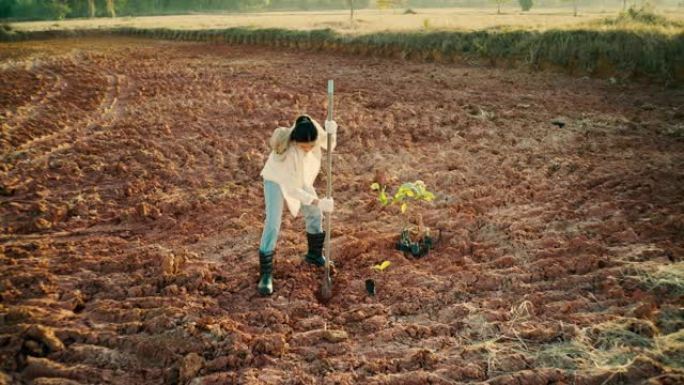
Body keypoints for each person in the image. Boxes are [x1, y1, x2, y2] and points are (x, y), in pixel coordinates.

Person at [257, 114, 338, 296]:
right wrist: (318, 201)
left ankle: (315, 255)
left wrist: (332, 131)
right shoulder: (287, 152)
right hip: (277, 179)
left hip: (299, 177)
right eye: (305, 147)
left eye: (312, 145)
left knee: (316, 213)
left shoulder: (313, 130)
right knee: (273, 222)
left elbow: (329, 145)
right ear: (296, 142)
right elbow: (292, 190)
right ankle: (265, 275)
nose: (309, 149)